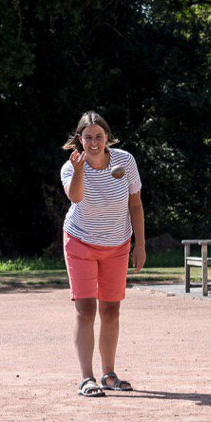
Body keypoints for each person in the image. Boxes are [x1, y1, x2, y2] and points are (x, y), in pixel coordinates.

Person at [60, 111, 146, 397]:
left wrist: (140, 244)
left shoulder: (125, 161)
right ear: (79, 140)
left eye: (99, 136)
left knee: (111, 310)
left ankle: (109, 374)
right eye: (88, 138)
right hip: (80, 242)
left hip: (117, 244)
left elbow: (135, 204)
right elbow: (75, 197)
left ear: (107, 137)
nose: (94, 142)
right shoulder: (71, 167)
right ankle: (87, 378)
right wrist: (82, 169)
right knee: (86, 310)